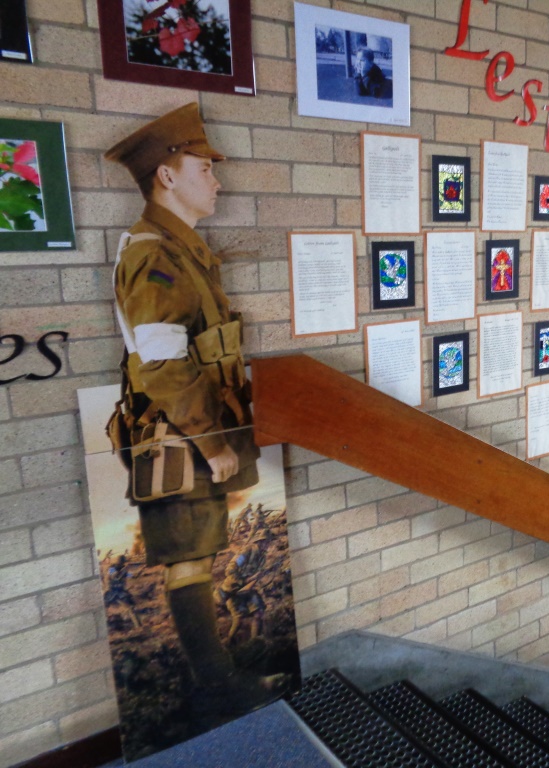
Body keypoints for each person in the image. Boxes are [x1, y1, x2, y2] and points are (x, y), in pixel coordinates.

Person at [105, 103, 285, 714]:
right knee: (188, 554)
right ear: (166, 175)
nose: (216, 181)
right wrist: (211, 441)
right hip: (180, 433)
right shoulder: (154, 254)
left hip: (196, 425)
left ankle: (219, 685)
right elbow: (161, 364)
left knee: (199, 551)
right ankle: (216, 690)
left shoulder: (181, 248)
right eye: (204, 168)